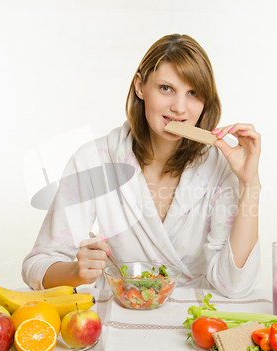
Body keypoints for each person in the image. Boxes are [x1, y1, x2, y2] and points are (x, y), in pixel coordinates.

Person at [22, 34, 262, 298]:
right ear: (140, 86)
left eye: (193, 93)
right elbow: (37, 265)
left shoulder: (218, 166)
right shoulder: (94, 160)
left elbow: (235, 285)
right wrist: (76, 272)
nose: (179, 108)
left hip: (194, 321)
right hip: (118, 317)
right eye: (166, 88)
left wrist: (250, 183)